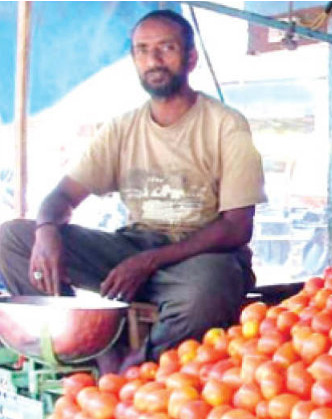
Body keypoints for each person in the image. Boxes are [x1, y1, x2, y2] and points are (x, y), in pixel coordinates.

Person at [0, 9, 265, 373]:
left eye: (166, 48)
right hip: (132, 247)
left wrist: (150, 261)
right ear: (134, 60)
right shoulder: (122, 128)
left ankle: (137, 369)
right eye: (142, 50)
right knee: (12, 238)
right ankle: (84, 353)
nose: (153, 60)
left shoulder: (225, 125)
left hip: (200, 256)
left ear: (190, 58)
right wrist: (47, 232)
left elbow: (237, 227)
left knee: (210, 289)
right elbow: (61, 197)